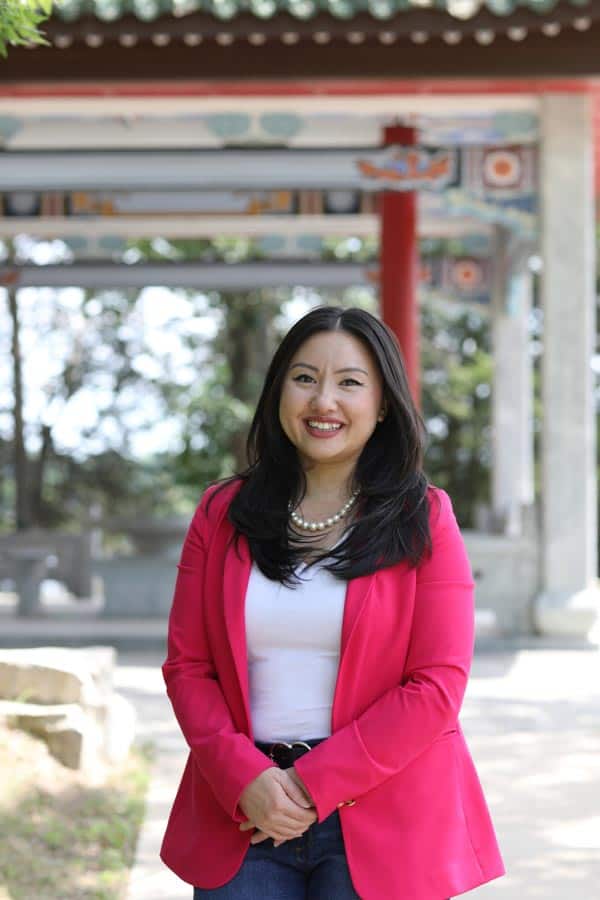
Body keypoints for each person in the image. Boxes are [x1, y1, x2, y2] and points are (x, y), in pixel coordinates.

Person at [161, 306, 505, 899]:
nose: (324, 400)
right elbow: (188, 667)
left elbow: (437, 684)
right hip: (245, 810)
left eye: (349, 382)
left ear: (385, 403)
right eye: (304, 378)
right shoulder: (221, 514)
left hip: (386, 812)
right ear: (278, 393)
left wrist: (314, 782)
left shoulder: (425, 518)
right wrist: (246, 778)